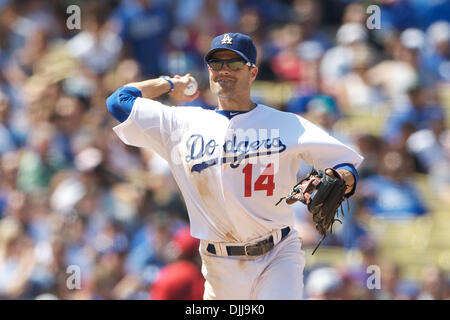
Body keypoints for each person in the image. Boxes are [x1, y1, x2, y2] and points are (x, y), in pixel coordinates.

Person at [106, 32, 363, 300]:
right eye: (216, 64)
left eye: (234, 63)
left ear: (252, 72)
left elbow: (347, 165)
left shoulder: (286, 124)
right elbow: (118, 101)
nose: (224, 70)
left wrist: (339, 176)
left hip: (278, 253)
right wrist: (170, 84)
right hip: (220, 264)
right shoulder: (180, 123)